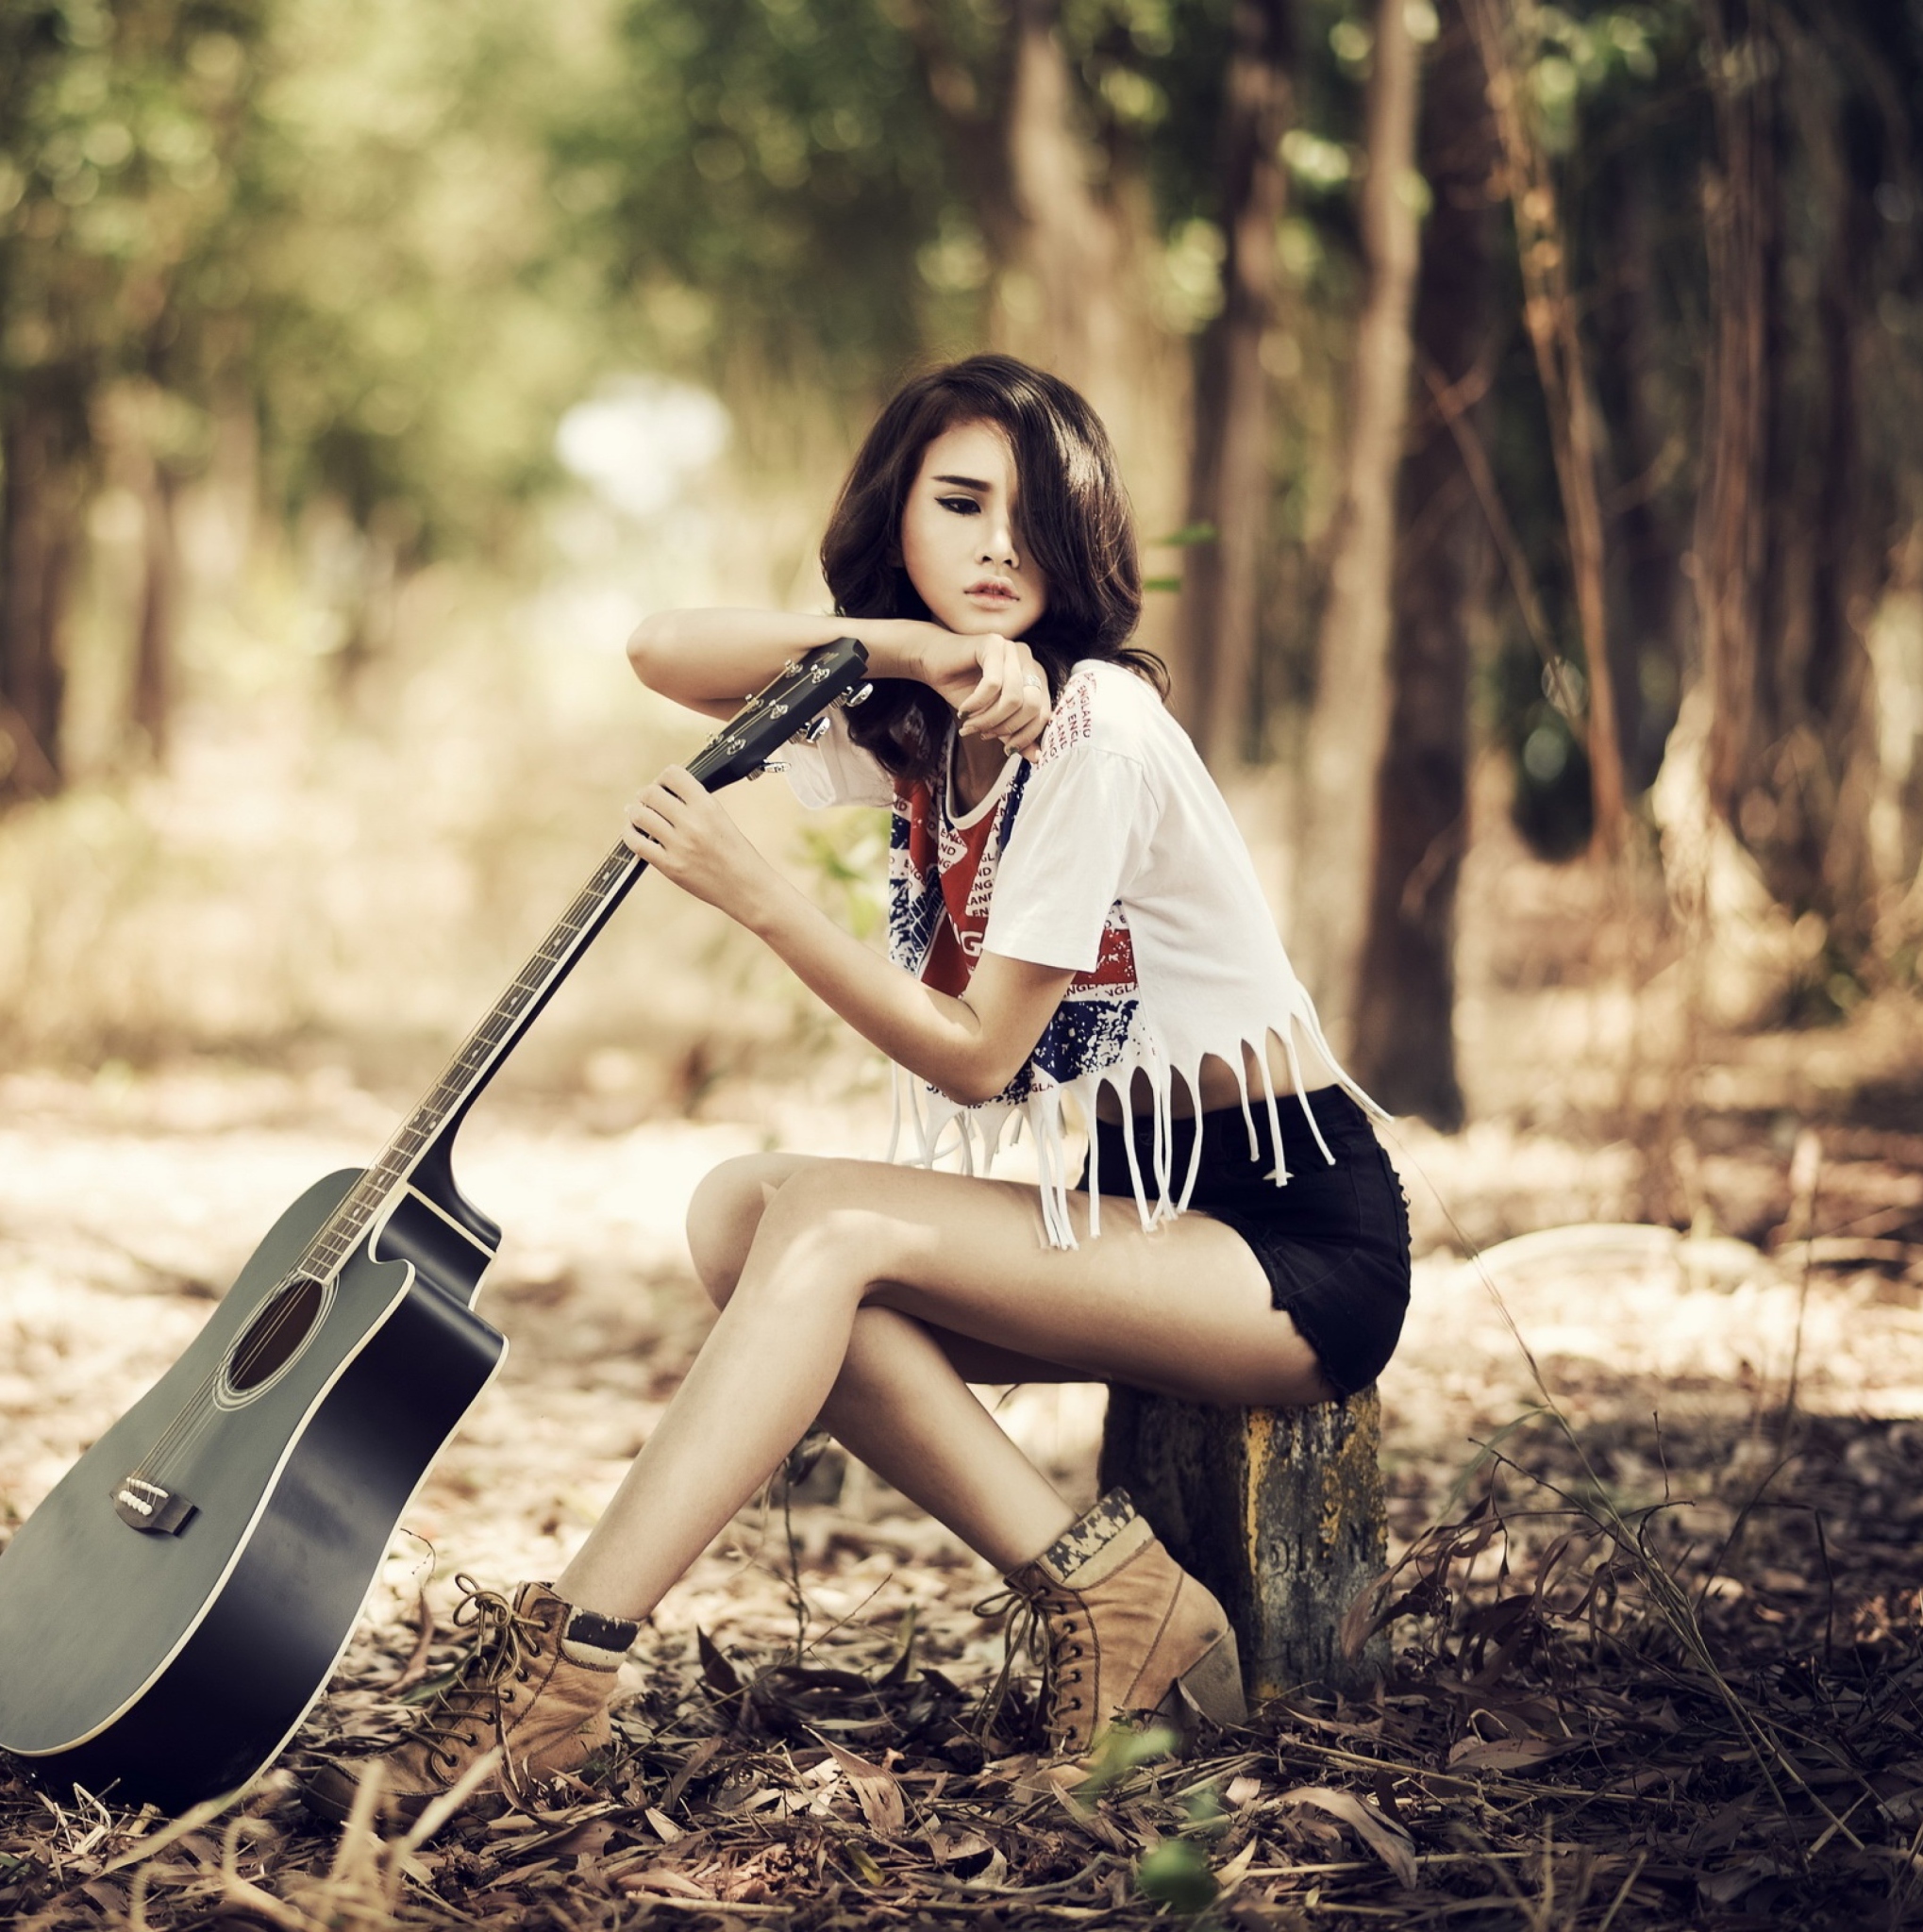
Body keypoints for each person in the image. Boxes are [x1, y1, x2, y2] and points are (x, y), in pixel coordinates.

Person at [304, 353, 1411, 1823]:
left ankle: (562, 1678)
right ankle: (1115, 1598)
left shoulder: (1096, 732)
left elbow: (976, 1053)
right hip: (1139, 1218)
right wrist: (906, 646)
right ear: (899, 519)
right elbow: (662, 648)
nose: (999, 545)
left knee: (821, 1225)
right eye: (959, 504)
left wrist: (759, 897)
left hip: (1290, 1241)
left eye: (1033, 515)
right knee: (736, 1215)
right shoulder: (924, 727)